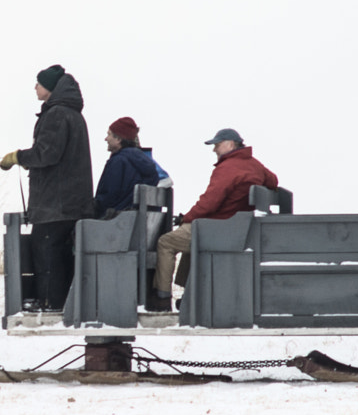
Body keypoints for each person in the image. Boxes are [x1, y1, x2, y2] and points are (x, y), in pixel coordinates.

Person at [0, 64, 93, 310]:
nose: (35, 87)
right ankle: (59, 303)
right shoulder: (71, 114)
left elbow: (46, 153)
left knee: (47, 251)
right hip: (69, 202)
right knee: (58, 253)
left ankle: (51, 303)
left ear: (50, 88)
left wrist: (18, 157)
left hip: (56, 204)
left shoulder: (57, 114)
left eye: (39, 83)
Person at [151, 127, 277, 307]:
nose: (214, 149)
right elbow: (273, 181)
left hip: (218, 228)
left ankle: (161, 300)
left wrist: (186, 217)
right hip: (237, 226)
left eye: (217, 145)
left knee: (166, 242)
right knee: (188, 236)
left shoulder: (228, 168)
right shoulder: (254, 164)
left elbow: (209, 202)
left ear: (231, 144)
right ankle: (188, 294)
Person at [94, 116, 170, 218]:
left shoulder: (118, 161)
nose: (106, 139)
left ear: (118, 139)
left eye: (109, 135)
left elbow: (107, 198)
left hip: (117, 221)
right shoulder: (146, 162)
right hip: (138, 220)